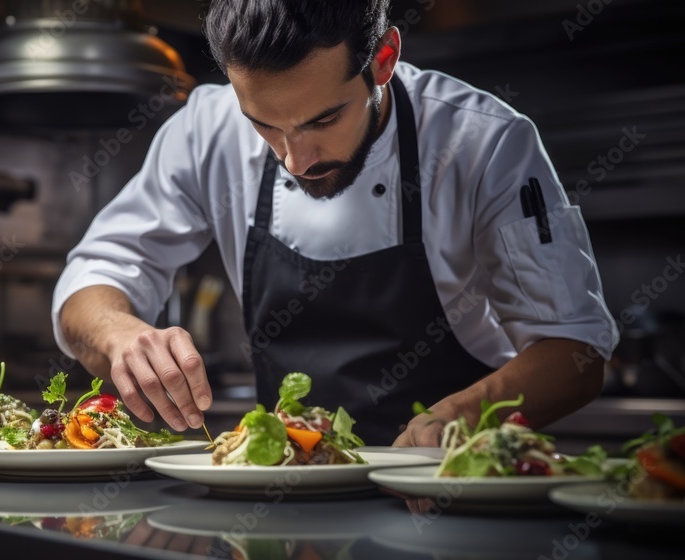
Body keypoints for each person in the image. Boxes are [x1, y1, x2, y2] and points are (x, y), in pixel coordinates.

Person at [50, 0, 619, 446]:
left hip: (442, 487)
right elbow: (96, 274)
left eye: (323, 118)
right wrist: (117, 333)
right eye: (264, 126)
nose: (295, 159)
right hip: (283, 492)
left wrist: (463, 417)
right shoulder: (206, 129)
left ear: (384, 60)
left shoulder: (483, 143)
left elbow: (576, 352)